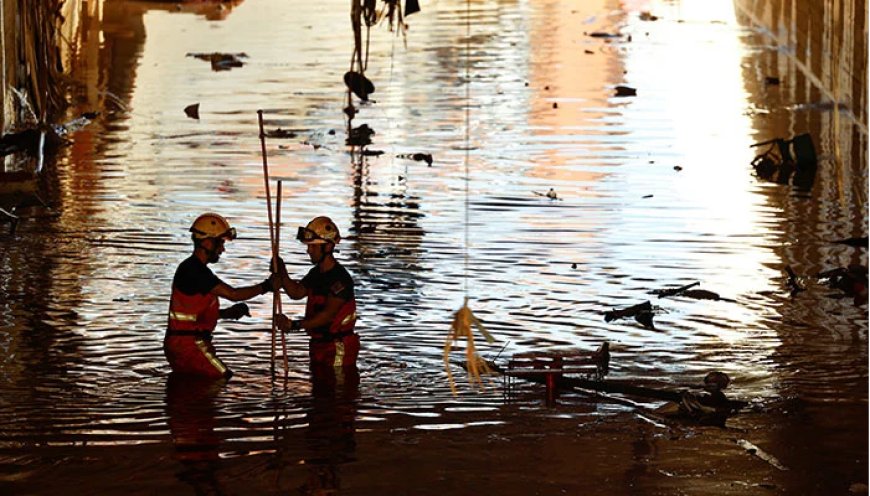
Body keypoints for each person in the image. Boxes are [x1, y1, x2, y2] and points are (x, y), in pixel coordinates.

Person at [165, 212, 273, 379]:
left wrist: (225, 314)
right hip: (190, 346)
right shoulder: (195, 271)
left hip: (183, 344)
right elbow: (234, 294)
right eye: (220, 243)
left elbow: (190, 316)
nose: (222, 249)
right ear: (207, 242)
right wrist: (267, 286)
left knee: (194, 388)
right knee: (222, 378)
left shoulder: (192, 269)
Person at [272, 216, 359, 379]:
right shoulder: (317, 273)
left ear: (327, 247)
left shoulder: (340, 280)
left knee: (336, 390)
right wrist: (282, 273)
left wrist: (293, 325)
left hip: (337, 347)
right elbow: (296, 292)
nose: (308, 251)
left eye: (313, 247)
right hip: (319, 344)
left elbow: (327, 316)